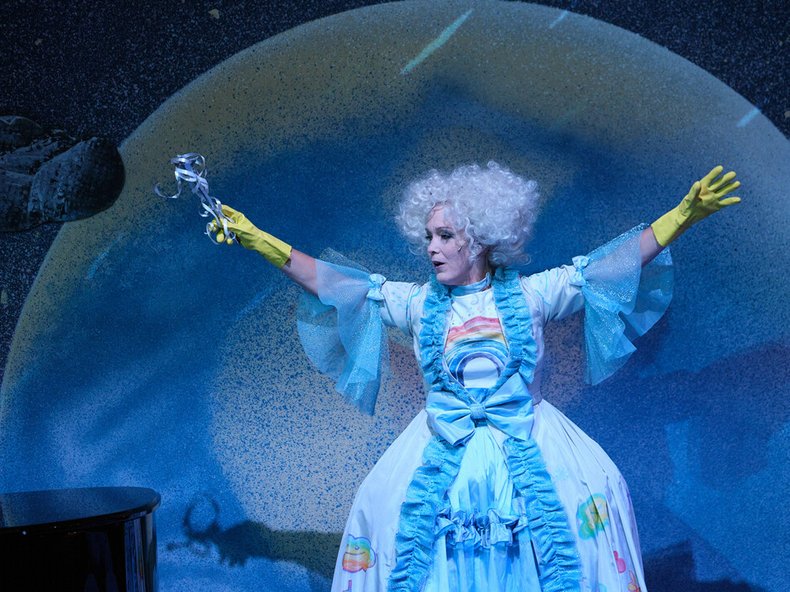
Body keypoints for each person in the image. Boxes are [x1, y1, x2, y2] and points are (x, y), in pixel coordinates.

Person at [210, 162, 740, 592]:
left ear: (480, 239)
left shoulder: (533, 295)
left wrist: (683, 215)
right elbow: (332, 283)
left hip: (528, 447)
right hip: (443, 450)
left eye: (445, 236)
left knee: (565, 536)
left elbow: (612, 266)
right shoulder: (417, 304)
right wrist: (258, 240)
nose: (432, 247)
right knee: (400, 531)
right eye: (428, 236)